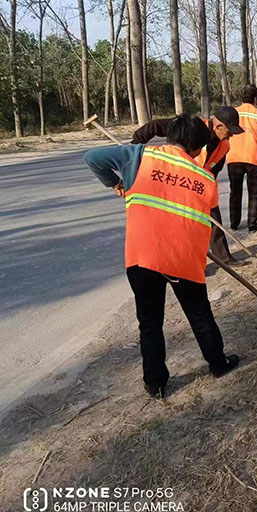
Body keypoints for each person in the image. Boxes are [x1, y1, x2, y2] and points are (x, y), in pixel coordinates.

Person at [84, 115, 240, 399]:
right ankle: (218, 364)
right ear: (196, 149)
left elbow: (92, 157)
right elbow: (204, 210)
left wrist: (116, 183)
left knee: (150, 321)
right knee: (200, 314)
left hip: (144, 256)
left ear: (171, 137)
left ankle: (155, 383)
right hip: (184, 257)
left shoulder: (139, 155)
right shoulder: (205, 178)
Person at [131, 107, 245, 263]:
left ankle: (224, 258)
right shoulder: (192, 127)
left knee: (214, 220)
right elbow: (155, 126)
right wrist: (134, 145)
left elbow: (213, 173)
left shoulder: (224, 146)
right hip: (177, 183)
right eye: (229, 130)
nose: (231, 135)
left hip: (198, 186)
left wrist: (208, 195)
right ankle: (180, 264)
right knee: (181, 226)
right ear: (218, 126)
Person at [227, 85, 257, 231]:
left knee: (235, 191)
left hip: (234, 156)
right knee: (255, 192)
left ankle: (234, 223)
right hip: (254, 157)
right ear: (256, 99)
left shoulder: (233, 113)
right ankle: (252, 223)